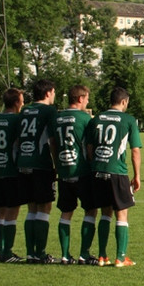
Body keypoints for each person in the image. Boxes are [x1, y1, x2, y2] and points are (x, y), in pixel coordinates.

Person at [86, 87, 142, 267]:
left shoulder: (96, 119)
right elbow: (135, 151)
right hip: (117, 171)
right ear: (124, 101)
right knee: (122, 213)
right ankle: (120, 257)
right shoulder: (128, 120)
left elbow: (88, 147)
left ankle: (102, 256)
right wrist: (137, 175)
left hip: (97, 171)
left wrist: (94, 163)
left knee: (105, 213)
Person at [54, 85, 99, 265]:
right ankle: (83, 254)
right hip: (82, 171)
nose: (87, 101)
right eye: (87, 98)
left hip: (64, 171)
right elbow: (89, 147)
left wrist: (57, 165)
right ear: (80, 98)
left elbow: (53, 144)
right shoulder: (85, 118)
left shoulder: (57, 118)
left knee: (66, 213)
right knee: (90, 210)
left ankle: (65, 255)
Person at [16, 79, 59, 264]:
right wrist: (57, 164)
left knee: (31, 208)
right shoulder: (49, 111)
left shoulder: (25, 110)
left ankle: (30, 252)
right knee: (45, 207)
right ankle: (40, 252)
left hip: (23, 162)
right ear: (48, 92)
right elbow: (52, 140)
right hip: (40, 163)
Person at [0, 88, 25, 263]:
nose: (23, 103)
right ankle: (8, 251)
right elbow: (19, 143)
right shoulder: (17, 120)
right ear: (16, 102)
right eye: (22, 100)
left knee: (0, 211)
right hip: (11, 170)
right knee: (12, 211)